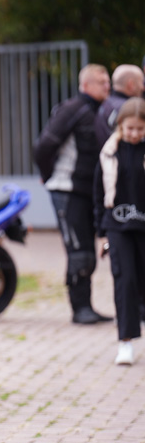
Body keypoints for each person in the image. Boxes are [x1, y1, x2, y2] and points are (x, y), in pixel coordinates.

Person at [34, 64, 112, 325]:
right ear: (86, 85)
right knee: (78, 251)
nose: (107, 86)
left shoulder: (98, 111)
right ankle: (80, 310)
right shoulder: (72, 109)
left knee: (87, 251)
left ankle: (87, 306)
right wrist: (48, 175)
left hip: (86, 192)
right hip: (67, 190)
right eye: (102, 82)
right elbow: (45, 145)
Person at [94, 97, 145, 365]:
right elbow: (98, 192)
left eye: (140, 128)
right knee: (124, 282)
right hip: (118, 227)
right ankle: (126, 342)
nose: (135, 133)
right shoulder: (108, 153)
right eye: (130, 128)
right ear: (120, 126)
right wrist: (101, 233)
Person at [95, 65, 145, 147]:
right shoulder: (128, 109)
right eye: (141, 82)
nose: (143, 87)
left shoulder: (106, 103)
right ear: (131, 84)